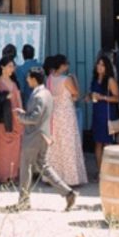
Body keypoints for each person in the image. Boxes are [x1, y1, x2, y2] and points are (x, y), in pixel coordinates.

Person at [10, 67, 78, 212]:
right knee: (43, 166)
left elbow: (34, 118)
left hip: (34, 136)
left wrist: (21, 116)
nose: (27, 80)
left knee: (26, 167)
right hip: (43, 135)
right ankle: (68, 193)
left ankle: (23, 201)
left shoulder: (39, 96)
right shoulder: (46, 93)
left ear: (34, 79)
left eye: (28, 77)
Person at [45, 56, 88, 188]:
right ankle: (70, 177)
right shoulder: (66, 79)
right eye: (66, 64)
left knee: (56, 144)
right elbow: (76, 94)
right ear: (62, 66)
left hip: (54, 113)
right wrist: (74, 79)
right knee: (68, 144)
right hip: (66, 113)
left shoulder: (49, 79)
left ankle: (52, 176)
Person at [88, 56, 119, 175]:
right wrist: (88, 97)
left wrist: (102, 97)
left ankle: (109, 171)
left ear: (107, 67)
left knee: (107, 143)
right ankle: (100, 171)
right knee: (98, 143)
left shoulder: (110, 80)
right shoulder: (95, 79)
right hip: (97, 113)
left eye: (102, 65)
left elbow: (117, 98)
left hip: (107, 114)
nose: (99, 67)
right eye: (98, 64)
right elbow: (91, 94)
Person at [0, 62, 22, 184]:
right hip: (2, 119)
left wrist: (22, 116)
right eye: (9, 66)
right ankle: (2, 176)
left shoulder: (14, 83)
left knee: (15, 149)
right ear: (2, 67)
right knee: (0, 148)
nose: (12, 68)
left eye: (13, 66)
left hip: (15, 118)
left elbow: (19, 101)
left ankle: (13, 175)